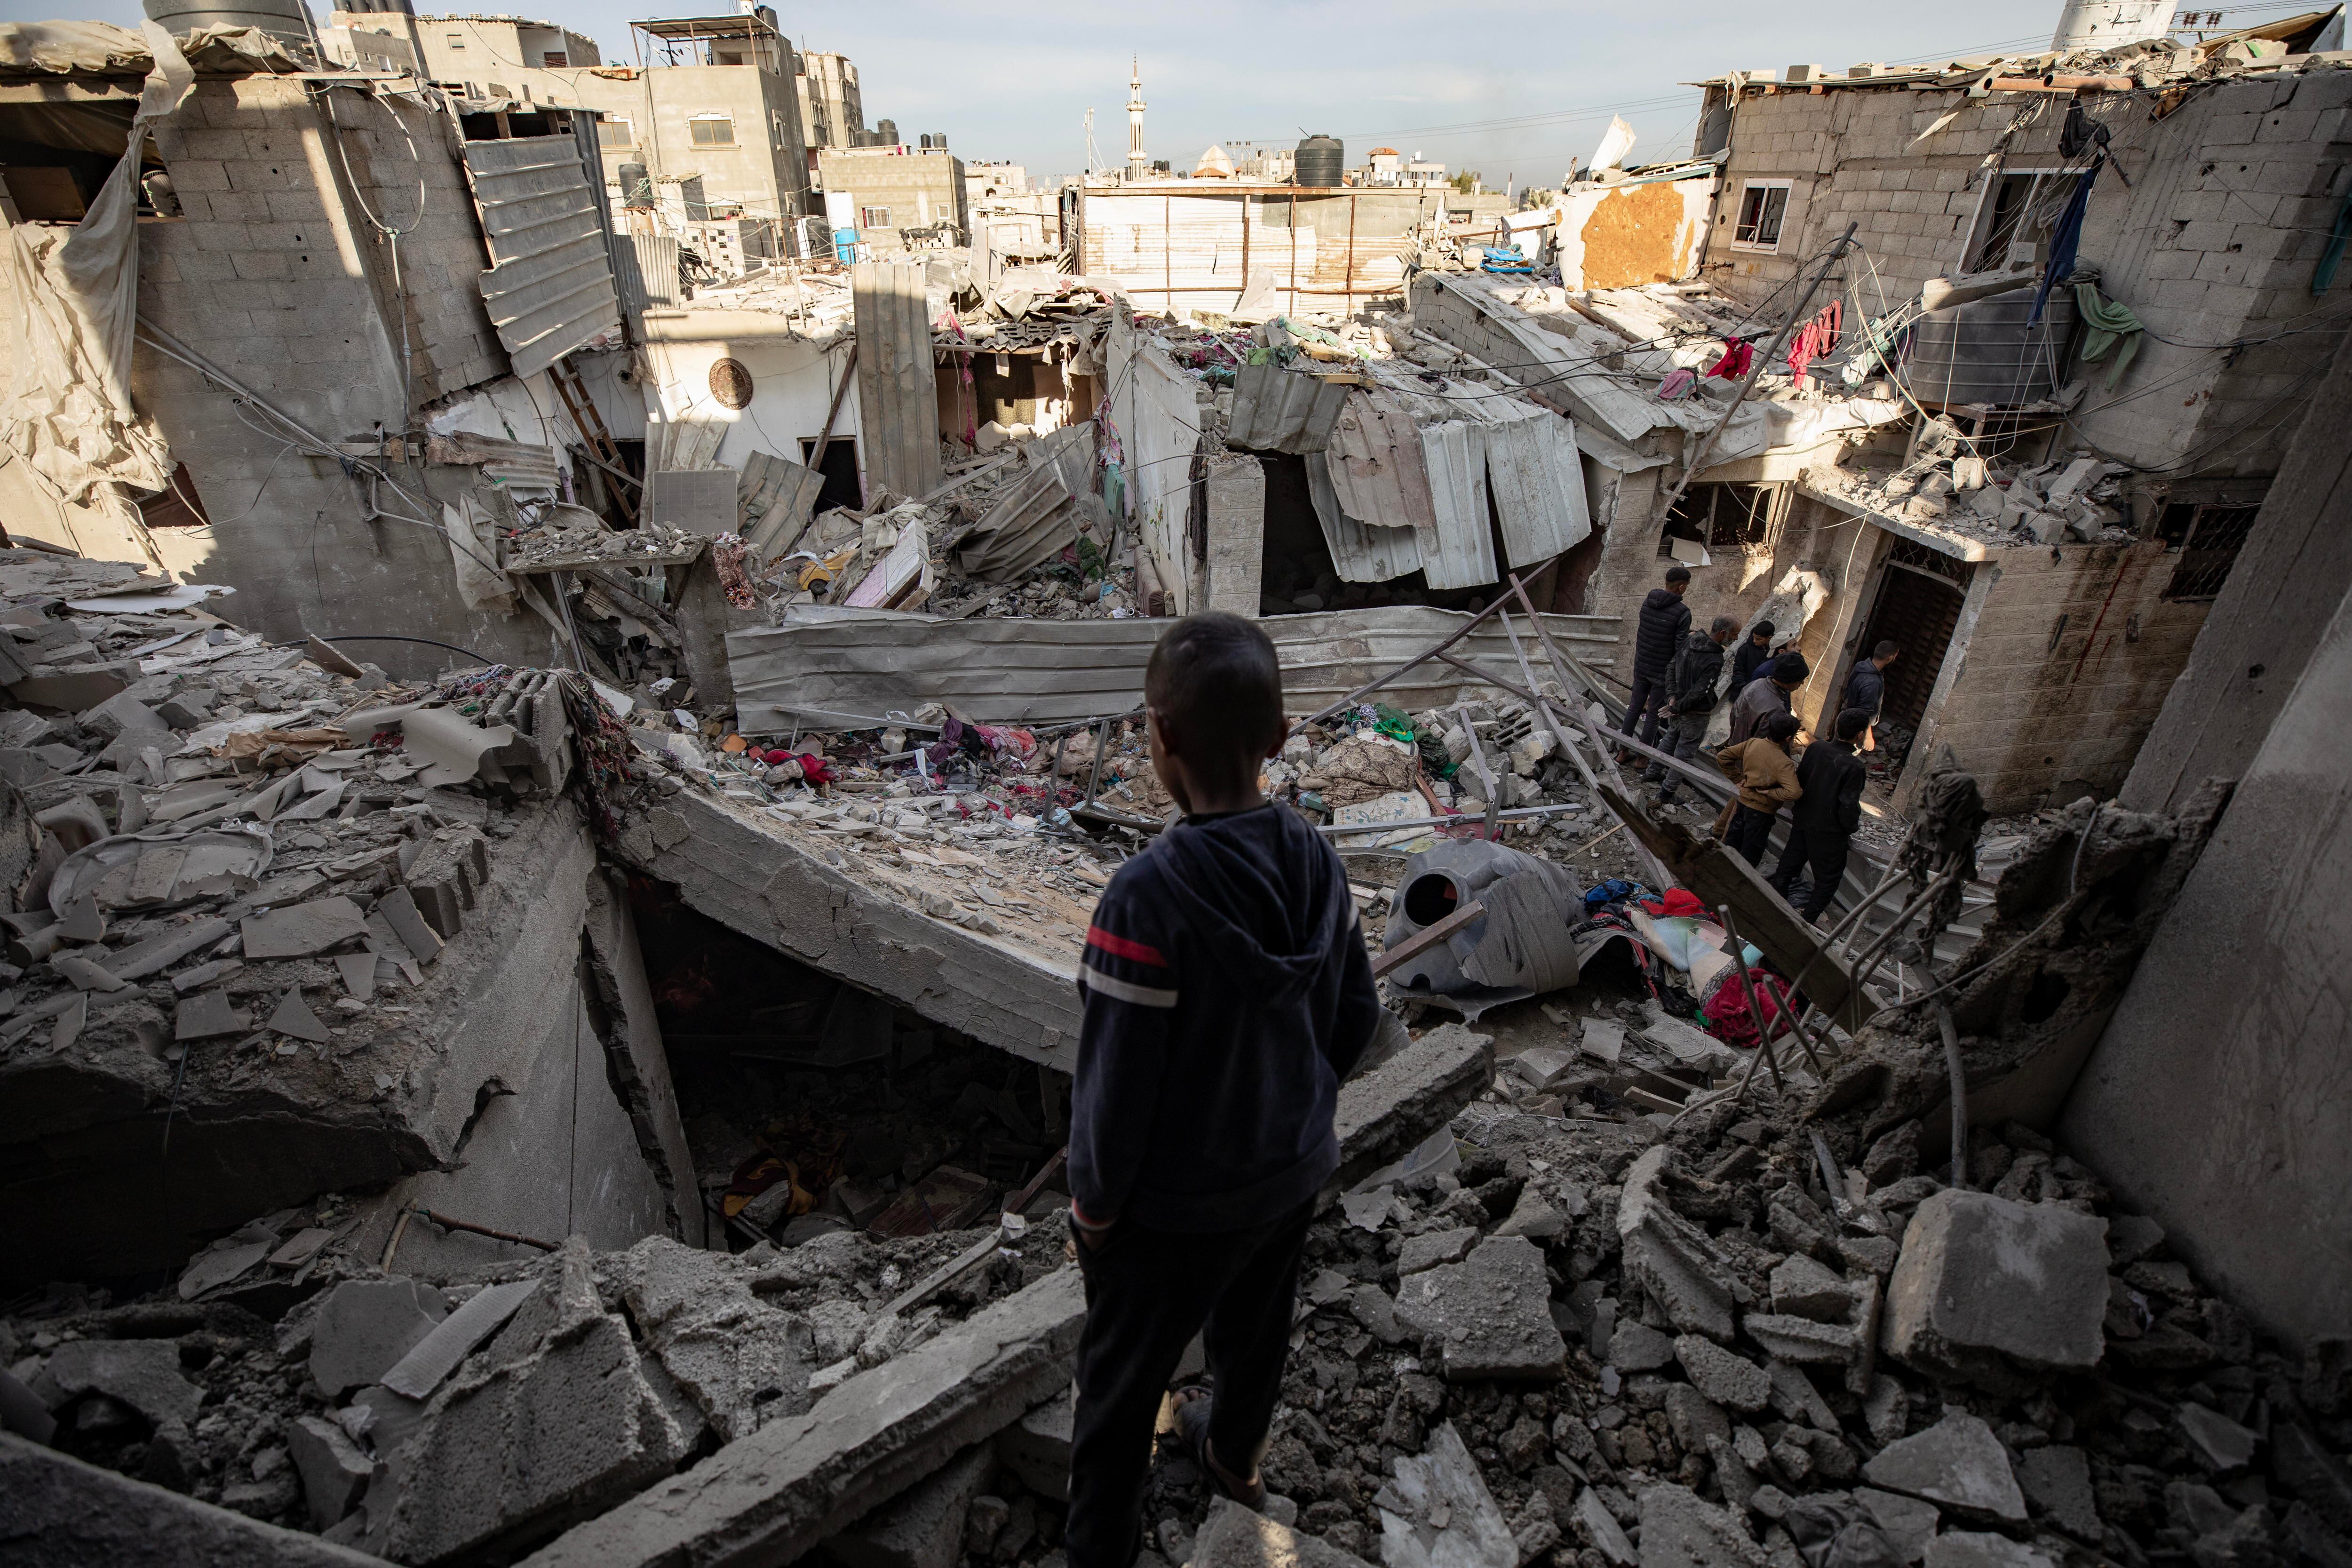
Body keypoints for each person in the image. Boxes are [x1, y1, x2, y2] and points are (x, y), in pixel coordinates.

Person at [1064, 612, 1383, 1568]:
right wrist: (1292, 1105)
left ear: (1157, 737)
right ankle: (1236, 1459)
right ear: (1279, 740)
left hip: (1170, 1209)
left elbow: (1115, 1084)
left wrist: (1095, 1205)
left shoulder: (1144, 897)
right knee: (1255, 1327)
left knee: (1116, 1392)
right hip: (1286, 1170)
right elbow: (1355, 1013)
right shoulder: (1317, 857)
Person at [1772, 708, 1870, 919]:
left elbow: (1801, 780)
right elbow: (1848, 805)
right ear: (1860, 735)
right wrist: (1850, 828)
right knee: (1827, 881)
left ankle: (1772, 907)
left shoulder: (1816, 748)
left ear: (1837, 727)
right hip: (1829, 831)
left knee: (1788, 866)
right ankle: (1805, 922)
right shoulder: (1855, 767)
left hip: (1803, 819)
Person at [1647, 614, 1737, 805]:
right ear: (1723, 634)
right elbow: (1700, 692)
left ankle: (1651, 772)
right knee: (1684, 756)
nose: (1736, 639)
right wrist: (1675, 705)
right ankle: (1666, 794)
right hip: (1694, 714)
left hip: (1678, 706)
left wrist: (1673, 699)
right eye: (1734, 634)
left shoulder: (1691, 640)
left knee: (1670, 739)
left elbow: (1672, 667)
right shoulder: (1715, 658)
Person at [1618, 565, 1692, 759]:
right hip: (1662, 673)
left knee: (1634, 708)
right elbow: (1679, 648)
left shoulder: (1648, 602)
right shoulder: (1682, 613)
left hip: (1642, 665)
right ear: (1682, 587)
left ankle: (1622, 752)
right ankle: (1642, 759)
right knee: (1653, 715)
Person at [1714, 709, 1802, 866]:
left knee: (1732, 845)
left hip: (1742, 804)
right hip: (1761, 813)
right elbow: (1794, 793)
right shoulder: (1784, 763)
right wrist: (1771, 792)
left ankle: (1722, 875)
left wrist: (1738, 779)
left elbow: (1723, 757)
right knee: (1750, 854)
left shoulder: (1753, 743)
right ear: (1789, 738)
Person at [1726, 652, 1809, 745]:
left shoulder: (1756, 684)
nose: (1802, 684)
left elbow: (1734, 715)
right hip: (1747, 753)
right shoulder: (1776, 709)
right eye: (1800, 681)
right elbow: (1762, 744)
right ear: (1787, 681)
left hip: (1735, 744)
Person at [1843, 641, 1899, 727]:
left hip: (1846, 716)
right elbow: (1864, 714)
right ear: (1890, 658)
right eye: (1895, 657)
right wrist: (1867, 737)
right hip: (1853, 725)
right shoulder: (1872, 682)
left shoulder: (1860, 666)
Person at [1731, 621, 1775, 689]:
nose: (1755, 641)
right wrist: (1746, 689)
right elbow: (1738, 673)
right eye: (1753, 637)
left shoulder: (1776, 650)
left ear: (1770, 638)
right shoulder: (1745, 650)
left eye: (1759, 639)